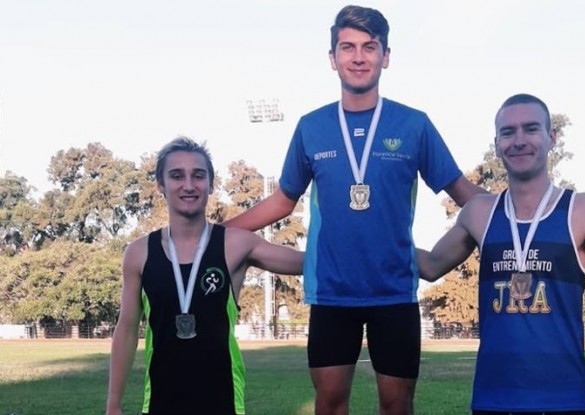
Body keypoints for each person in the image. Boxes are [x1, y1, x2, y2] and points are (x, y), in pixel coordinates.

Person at [222, 5, 483, 414]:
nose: (358, 57)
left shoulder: (413, 125)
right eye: (347, 47)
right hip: (332, 294)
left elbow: (462, 190)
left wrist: (516, 218)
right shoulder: (312, 126)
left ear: (386, 56)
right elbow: (282, 201)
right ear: (332, 58)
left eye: (369, 47)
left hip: (393, 291)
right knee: (329, 404)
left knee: (397, 406)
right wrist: (217, 233)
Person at [416, 94, 585, 415]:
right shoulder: (479, 213)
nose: (519, 140)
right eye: (508, 133)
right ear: (496, 144)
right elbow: (430, 266)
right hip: (492, 400)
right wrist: (378, 237)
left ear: (551, 138)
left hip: (564, 400)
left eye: (530, 129)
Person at [106, 136, 303, 415]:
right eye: (176, 176)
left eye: (198, 176)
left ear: (211, 184)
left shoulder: (236, 244)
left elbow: (307, 264)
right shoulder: (139, 253)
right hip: (161, 401)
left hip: (223, 400)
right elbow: (126, 329)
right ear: (160, 185)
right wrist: (113, 403)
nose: (188, 185)